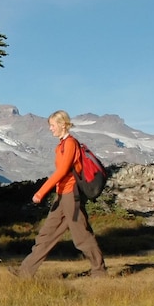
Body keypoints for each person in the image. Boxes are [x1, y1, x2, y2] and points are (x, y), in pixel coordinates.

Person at [10, 110, 107, 278]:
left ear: (63, 124)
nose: (50, 129)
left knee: (81, 236)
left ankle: (99, 271)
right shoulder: (61, 145)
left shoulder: (70, 143)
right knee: (46, 234)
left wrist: (40, 193)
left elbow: (62, 171)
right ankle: (25, 272)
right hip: (62, 195)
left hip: (71, 196)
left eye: (52, 125)